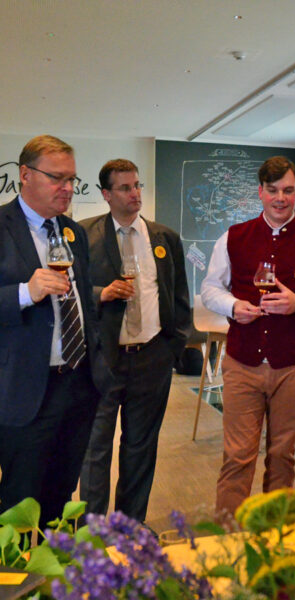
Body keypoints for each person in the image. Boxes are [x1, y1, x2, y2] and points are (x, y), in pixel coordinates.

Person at [201, 156, 295, 518]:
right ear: (261, 192)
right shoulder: (233, 237)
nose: (280, 198)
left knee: (283, 456)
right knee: (237, 456)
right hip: (242, 362)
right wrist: (234, 306)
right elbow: (209, 288)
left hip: (294, 365)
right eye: (273, 191)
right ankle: (228, 537)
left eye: (288, 190)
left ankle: (274, 535)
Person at [0, 135, 110, 526]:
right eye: (56, 178)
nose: (67, 188)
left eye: (71, 179)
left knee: (61, 497)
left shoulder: (73, 232)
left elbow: (84, 300)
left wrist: (96, 359)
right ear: (25, 174)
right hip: (26, 389)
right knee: (19, 502)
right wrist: (24, 293)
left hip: (78, 384)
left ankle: (58, 563)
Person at [79, 159, 191, 522]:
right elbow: (71, 290)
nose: (135, 194)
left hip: (151, 357)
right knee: (95, 450)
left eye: (137, 185)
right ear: (106, 194)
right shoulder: (85, 235)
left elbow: (179, 296)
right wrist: (101, 293)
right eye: (125, 188)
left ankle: (129, 529)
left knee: (140, 449)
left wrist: (171, 348)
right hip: (102, 360)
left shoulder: (164, 238)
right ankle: (92, 533)